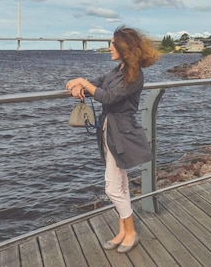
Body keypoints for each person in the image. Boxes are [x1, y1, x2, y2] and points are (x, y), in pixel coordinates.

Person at [66, 26, 159, 253]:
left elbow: (108, 96)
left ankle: (132, 232)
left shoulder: (134, 75)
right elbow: (98, 84)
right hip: (111, 131)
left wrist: (82, 81)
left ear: (123, 48)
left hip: (122, 133)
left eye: (113, 44)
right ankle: (123, 231)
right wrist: (79, 86)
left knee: (112, 188)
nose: (109, 48)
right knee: (122, 184)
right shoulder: (119, 69)